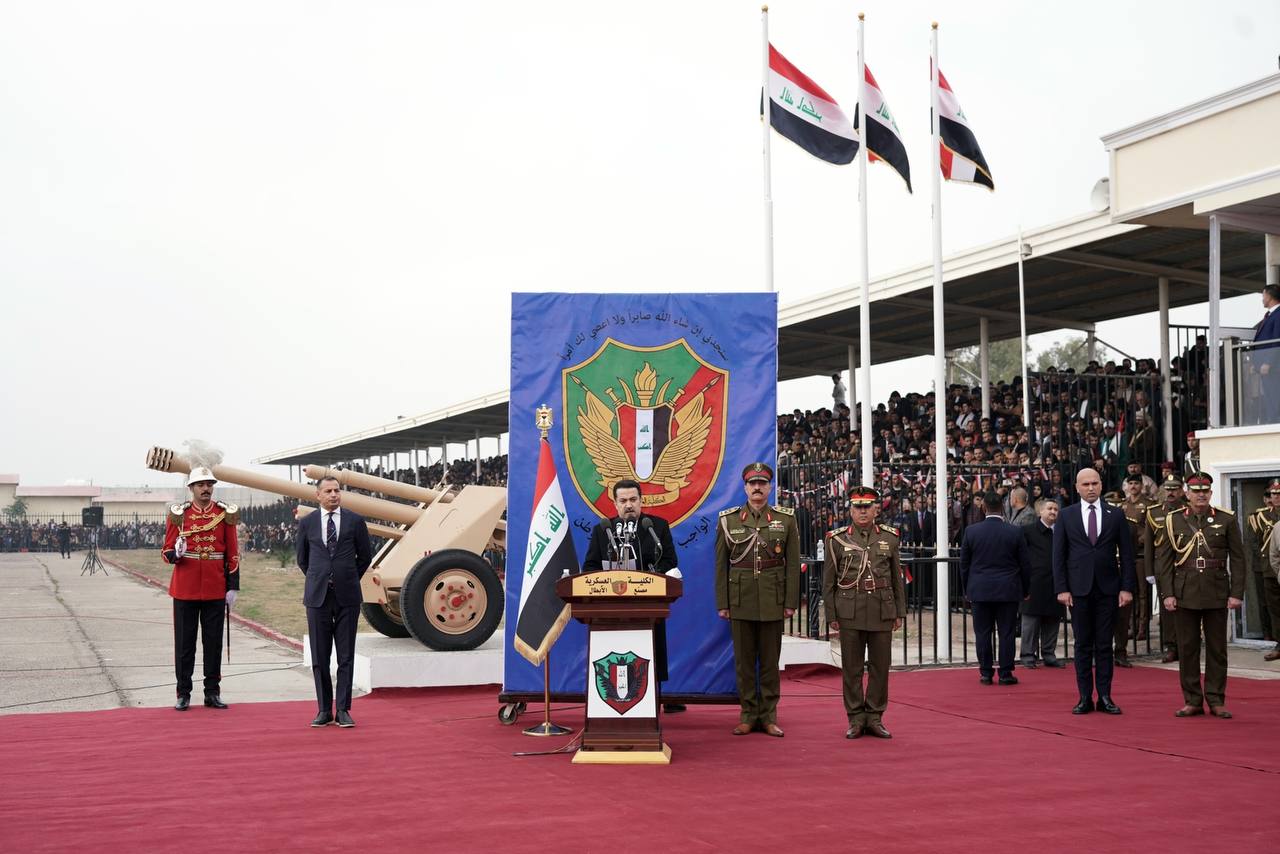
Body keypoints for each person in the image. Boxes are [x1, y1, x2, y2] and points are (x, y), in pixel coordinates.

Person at [715, 462, 800, 737]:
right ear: (745, 488)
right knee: (744, 663)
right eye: (752, 483)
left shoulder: (786, 519)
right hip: (740, 599)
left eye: (762, 483)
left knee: (770, 663)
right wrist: (723, 603)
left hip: (773, 598)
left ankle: (769, 716)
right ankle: (748, 715)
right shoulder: (728, 520)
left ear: (770, 487)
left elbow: (792, 564)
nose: (757, 488)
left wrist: (790, 602)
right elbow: (720, 565)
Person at [581, 478, 681, 711]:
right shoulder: (602, 530)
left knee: (652, 651)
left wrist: (647, 577)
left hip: (648, 604)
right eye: (623, 500)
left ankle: (653, 700)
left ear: (641, 501)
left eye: (633, 499)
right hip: (611, 609)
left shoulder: (656, 527)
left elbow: (669, 561)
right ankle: (609, 704)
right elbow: (590, 566)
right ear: (615, 504)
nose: (629, 505)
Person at [1156, 471, 1245, 718]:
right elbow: (1164, 561)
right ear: (1187, 493)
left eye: (1205, 491)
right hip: (1185, 591)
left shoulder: (1226, 519)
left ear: (1211, 493)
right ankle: (1193, 699)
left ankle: (1216, 699)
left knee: (1217, 649)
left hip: (1216, 590)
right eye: (1196, 491)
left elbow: (1238, 558)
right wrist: (1167, 594)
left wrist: (1237, 593)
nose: (1201, 495)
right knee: (1187, 648)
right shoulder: (1174, 520)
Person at [822, 485, 905, 739]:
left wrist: (899, 612)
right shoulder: (836, 539)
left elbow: (896, 577)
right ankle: (856, 718)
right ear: (850, 510)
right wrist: (832, 615)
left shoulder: (890, 537)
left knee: (880, 667)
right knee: (852, 668)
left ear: (876, 510)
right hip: (850, 610)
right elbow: (829, 582)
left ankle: (875, 716)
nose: (862, 512)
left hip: (881, 609)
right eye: (857, 507)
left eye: (867, 507)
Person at [1052, 467, 1136, 716]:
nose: (1090, 488)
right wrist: (1062, 589)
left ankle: (1105, 696)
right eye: (1085, 484)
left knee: (1104, 644)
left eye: (1094, 483)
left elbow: (1127, 555)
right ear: (1077, 487)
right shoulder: (1066, 515)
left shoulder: (1115, 514)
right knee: (1082, 645)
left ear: (1101, 485)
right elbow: (1058, 556)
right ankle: (1085, 697)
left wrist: (1126, 588)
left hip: (1108, 589)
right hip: (1078, 590)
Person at [161, 467, 240, 711]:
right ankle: (183, 693)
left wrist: (233, 586)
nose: (206, 489)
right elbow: (166, 551)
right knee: (185, 645)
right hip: (185, 587)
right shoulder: (179, 514)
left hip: (215, 587)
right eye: (201, 485)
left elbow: (233, 552)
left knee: (213, 643)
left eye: (209, 484)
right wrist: (176, 553)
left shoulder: (224, 514)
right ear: (191, 488)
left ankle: (212, 692)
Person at [296, 475, 372, 728]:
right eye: (328, 491)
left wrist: (345, 577)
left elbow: (365, 557)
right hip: (317, 596)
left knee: (345, 655)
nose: (333, 495)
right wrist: (321, 578)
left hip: (347, 596)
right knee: (320, 656)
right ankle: (323, 710)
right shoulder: (307, 523)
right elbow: (303, 560)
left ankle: (342, 709)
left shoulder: (355, 521)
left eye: (337, 490)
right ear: (317, 495)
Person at [960, 491, 1031, 685]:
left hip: (979, 589)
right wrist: (1025, 589)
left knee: (983, 632)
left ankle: (986, 672)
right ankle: (1006, 673)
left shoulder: (971, 531)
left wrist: (967, 589)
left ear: (984, 507)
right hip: (1008, 589)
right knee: (1006, 632)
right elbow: (1025, 564)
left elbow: (964, 565)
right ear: (1002, 507)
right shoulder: (1015, 531)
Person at [1021, 497, 1066, 668]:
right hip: (1034, 583)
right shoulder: (1028, 531)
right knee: (1031, 622)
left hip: (1056, 583)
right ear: (1040, 511)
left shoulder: (1061, 531)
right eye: (1050, 508)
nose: (1053, 512)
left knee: (1053, 620)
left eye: (1056, 509)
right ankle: (1028, 654)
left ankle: (1049, 653)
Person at [1114, 474, 1150, 666]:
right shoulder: (1122, 506)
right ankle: (1130, 627)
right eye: (1131, 483)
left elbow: (1148, 530)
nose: (1133, 486)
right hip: (1118, 559)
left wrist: (1139, 541)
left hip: (1140, 554)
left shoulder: (1147, 505)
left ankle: (1141, 627)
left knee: (1141, 594)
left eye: (1137, 483)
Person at [1245, 479, 1280, 659]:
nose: (1277, 497)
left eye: (1279, 494)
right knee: (1273, 608)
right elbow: (1254, 543)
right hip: (1268, 567)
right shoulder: (1259, 517)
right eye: (1274, 494)